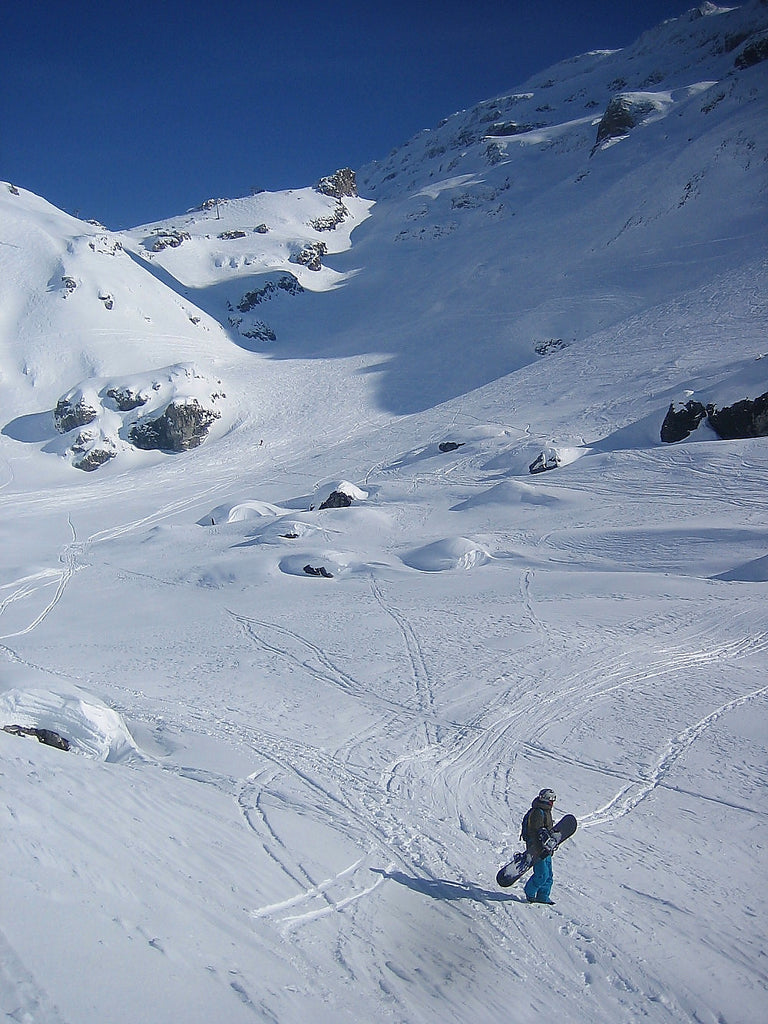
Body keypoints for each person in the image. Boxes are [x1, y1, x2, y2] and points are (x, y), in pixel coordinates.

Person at [523, 788, 557, 905]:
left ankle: (543, 896)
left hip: (545, 848)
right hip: (537, 849)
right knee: (542, 874)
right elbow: (534, 832)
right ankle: (530, 893)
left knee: (549, 875)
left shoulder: (546, 811)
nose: (553, 803)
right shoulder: (538, 812)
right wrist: (539, 849)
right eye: (551, 800)